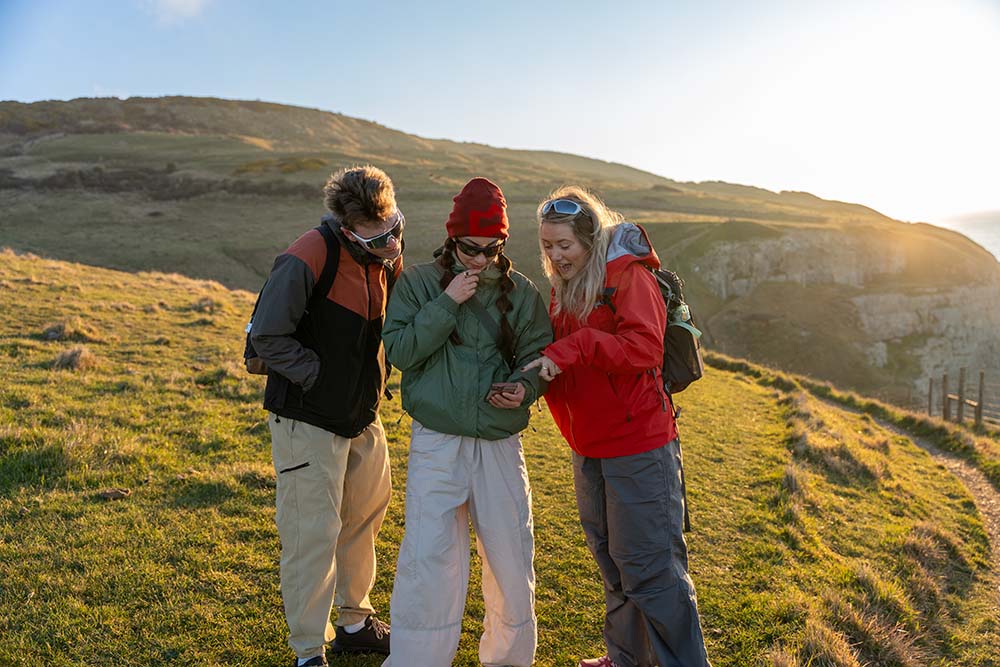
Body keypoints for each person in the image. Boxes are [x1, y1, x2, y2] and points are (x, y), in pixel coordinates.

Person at [522, 187, 712, 667]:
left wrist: (579, 346)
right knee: (613, 561)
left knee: (652, 569)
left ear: (589, 236)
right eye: (547, 246)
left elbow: (644, 350)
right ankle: (627, 659)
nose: (555, 255)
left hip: (638, 445)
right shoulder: (566, 286)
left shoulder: (628, 277)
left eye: (563, 244)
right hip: (588, 445)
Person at [380, 177, 552, 667]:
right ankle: (418, 660)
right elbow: (402, 351)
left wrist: (526, 387)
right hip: (436, 439)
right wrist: (447, 301)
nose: (479, 260)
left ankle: (508, 660)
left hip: (499, 441)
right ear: (451, 239)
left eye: (491, 249)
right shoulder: (415, 282)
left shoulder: (522, 293)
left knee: (511, 558)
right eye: (469, 249)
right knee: (429, 558)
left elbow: (538, 354)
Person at [250, 165, 403, 667]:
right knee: (311, 534)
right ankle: (307, 653)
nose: (389, 239)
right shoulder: (307, 255)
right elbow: (266, 338)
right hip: (307, 417)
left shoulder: (384, 257)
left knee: (363, 519)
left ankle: (355, 623)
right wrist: (318, 376)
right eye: (377, 232)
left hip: (363, 415)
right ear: (346, 223)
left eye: (393, 227)